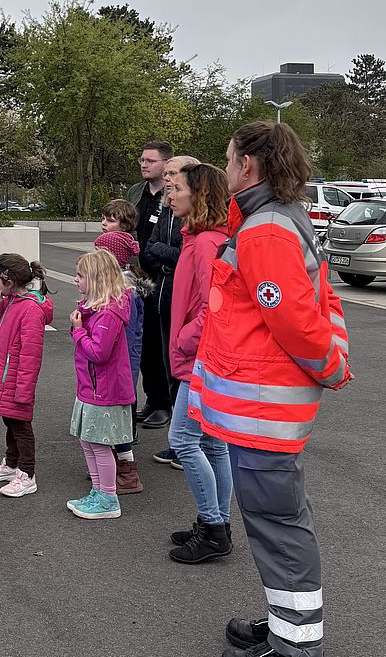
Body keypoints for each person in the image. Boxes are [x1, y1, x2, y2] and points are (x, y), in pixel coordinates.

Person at [191, 123, 351, 657]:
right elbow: (319, 302)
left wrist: (330, 365)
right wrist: (331, 362)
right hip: (264, 411)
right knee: (274, 526)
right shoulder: (282, 220)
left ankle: (296, 646)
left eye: (230, 158)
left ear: (249, 166)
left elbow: (297, 321)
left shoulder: (263, 230)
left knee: (279, 529)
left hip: (263, 412)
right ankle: (287, 628)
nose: (227, 166)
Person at [161, 163, 233, 564]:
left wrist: (185, 341)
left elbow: (213, 307)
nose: (170, 194)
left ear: (198, 195)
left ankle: (214, 526)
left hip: (199, 358)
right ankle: (216, 523)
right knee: (212, 443)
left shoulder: (206, 243)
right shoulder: (199, 238)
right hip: (201, 356)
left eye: (177, 188)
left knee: (183, 441)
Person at [65, 250, 135, 520]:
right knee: (88, 440)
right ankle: (99, 491)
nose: (75, 280)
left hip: (103, 391)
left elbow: (99, 353)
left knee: (99, 443)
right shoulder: (96, 309)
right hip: (91, 388)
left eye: (81, 275)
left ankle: (108, 497)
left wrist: (79, 330)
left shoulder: (109, 314)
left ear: (96, 279)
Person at [0, 254, 54, 497]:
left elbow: (31, 356)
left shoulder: (29, 308)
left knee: (20, 426)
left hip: (15, 380)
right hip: (5, 376)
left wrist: (24, 389)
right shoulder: (11, 300)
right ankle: (12, 465)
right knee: (10, 421)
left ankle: (27, 474)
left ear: (8, 280)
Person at [144, 156, 197, 460]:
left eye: (173, 175)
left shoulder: (193, 218)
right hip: (163, 297)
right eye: (166, 175)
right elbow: (149, 248)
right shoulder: (165, 208)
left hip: (182, 300)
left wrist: (166, 255)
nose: (167, 181)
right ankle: (179, 441)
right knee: (169, 367)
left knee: (184, 373)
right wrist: (167, 255)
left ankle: (186, 443)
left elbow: (181, 253)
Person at [93, 229, 150, 495]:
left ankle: (126, 473)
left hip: (117, 368)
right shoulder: (120, 290)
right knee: (114, 420)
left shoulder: (124, 295)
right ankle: (116, 468)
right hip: (118, 366)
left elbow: (122, 341)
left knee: (116, 420)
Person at [126, 141, 174, 427]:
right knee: (141, 344)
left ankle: (164, 403)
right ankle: (152, 398)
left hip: (162, 278)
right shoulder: (136, 192)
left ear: (166, 164)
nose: (144, 165)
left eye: (150, 161)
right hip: (136, 277)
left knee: (160, 344)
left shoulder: (173, 192)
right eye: (142, 160)